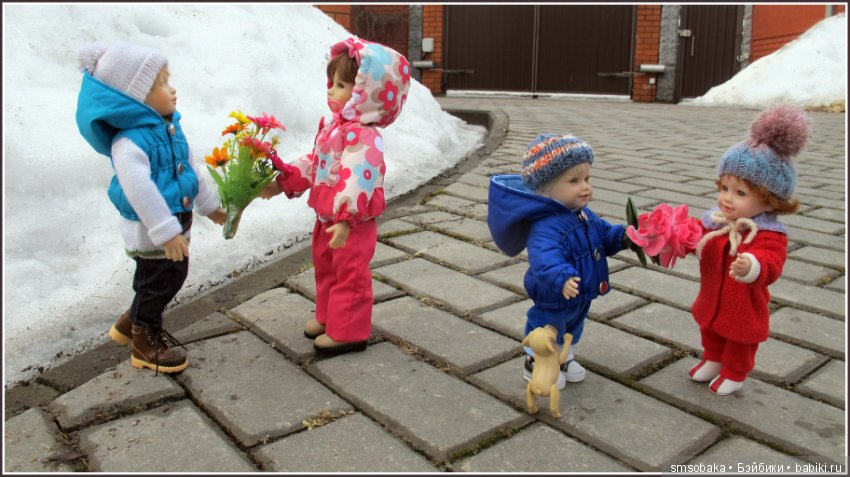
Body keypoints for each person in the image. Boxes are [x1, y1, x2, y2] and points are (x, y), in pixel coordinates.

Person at [76, 41, 226, 373]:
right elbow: (139, 189)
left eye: (168, 81)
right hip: (151, 229)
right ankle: (145, 342)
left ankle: (131, 322)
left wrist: (209, 205)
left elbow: (190, 168)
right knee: (160, 279)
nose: (172, 91)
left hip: (176, 221)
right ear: (134, 98)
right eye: (161, 84)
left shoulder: (170, 128)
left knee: (159, 278)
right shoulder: (129, 143)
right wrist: (165, 232)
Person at [261, 37, 410, 355]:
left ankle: (350, 331)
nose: (331, 89)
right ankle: (329, 317)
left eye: (342, 84)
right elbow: (314, 164)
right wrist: (283, 183)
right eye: (332, 82)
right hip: (326, 218)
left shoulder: (364, 136)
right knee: (326, 267)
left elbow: (360, 177)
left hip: (351, 223)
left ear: (365, 94)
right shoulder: (334, 129)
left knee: (350, 274)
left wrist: (345, 218)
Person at [488, 134, 628, 388]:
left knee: (572, 326)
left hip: (580, 292)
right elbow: (544, 258)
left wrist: (626, 236)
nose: (585, 186)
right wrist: (561, 277)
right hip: (555, 292)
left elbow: (604, 235)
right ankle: (537, 362)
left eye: (587, 178)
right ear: (546, 189)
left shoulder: (583, 214)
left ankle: (563, 357)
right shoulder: (546, 225)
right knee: (548, 326)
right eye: (574, 181)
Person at [688, 105, 810, 396]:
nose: (727, 199)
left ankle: (734, 372)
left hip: (742, 305)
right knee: (711, 331)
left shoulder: (769, 234)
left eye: (740, 193)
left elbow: (772, 262)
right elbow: (695, 235)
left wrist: (752, 265)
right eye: (724, 188)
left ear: (770, 201)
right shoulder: (715, 221)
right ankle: (713, 359)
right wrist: (678, 234)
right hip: (712, 297)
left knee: (739, 340)